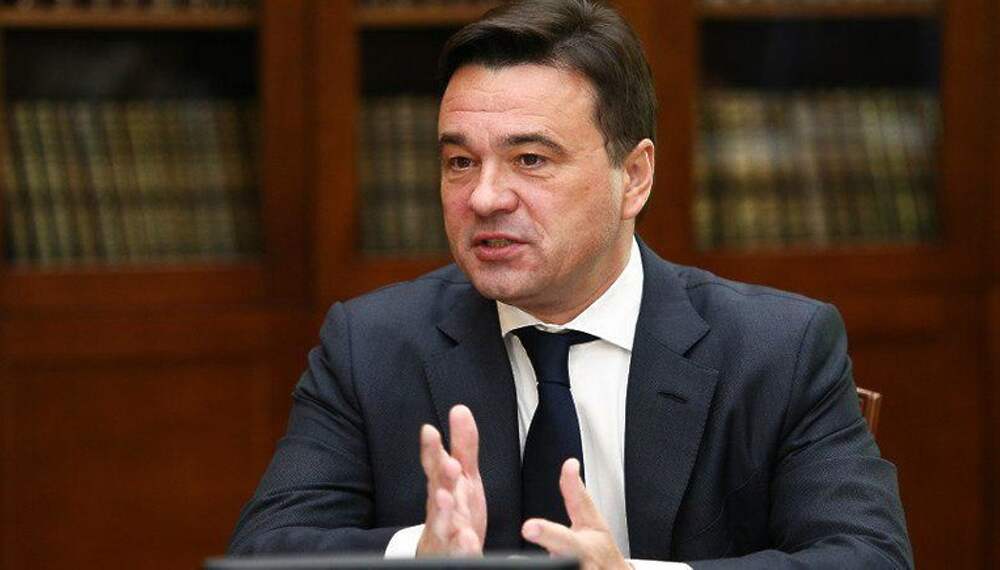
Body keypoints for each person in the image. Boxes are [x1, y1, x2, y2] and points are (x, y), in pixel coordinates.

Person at [228, 1, 913, 568]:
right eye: (460, 162)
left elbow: (867, 557)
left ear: (634, 177)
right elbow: (265, 551)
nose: (485, 197)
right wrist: (417, 552)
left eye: (530, 159)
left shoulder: (777, 349)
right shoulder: (371, 346)